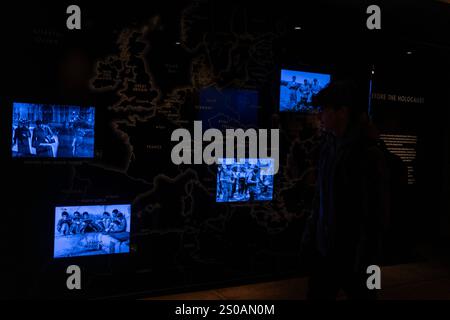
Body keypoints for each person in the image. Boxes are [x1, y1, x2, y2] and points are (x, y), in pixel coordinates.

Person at [300, 80, 389, 300]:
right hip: (326, 251)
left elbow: (377, 214)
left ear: (342, 112)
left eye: (324, 110)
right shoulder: (329, 146)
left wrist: (369, 263)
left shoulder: (369, 153)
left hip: (361, 257)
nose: (319, 116)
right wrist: (311, 239)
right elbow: (319, 199)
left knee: (368, 297)